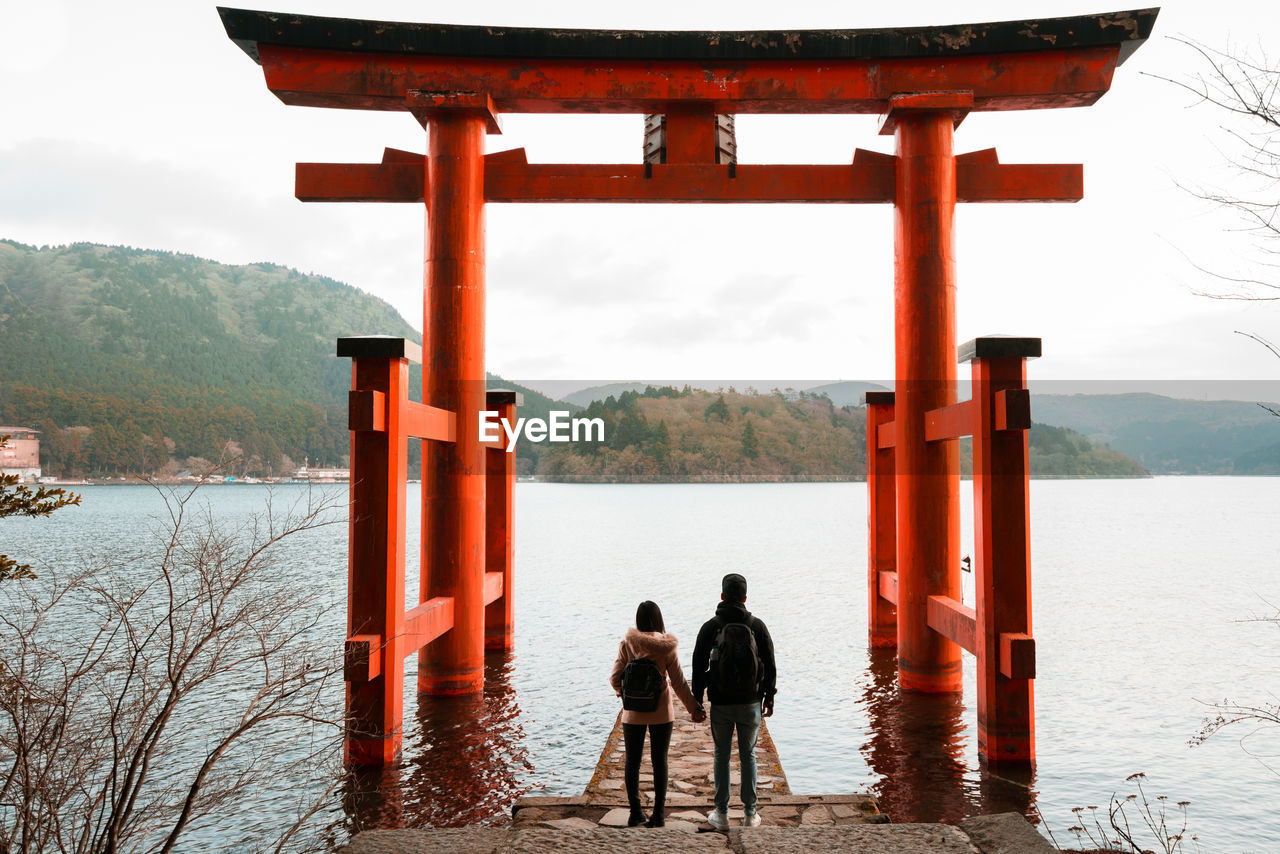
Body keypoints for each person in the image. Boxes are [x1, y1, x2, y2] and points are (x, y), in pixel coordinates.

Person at [610, 600, 706, 827]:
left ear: (638, 620)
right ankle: (658, 815)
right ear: (659, 620)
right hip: (662, 712)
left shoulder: (627, 645)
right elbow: (680, 682)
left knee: (632, 763)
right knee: (659, 761)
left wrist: (625, 695)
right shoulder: (667, 647)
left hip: (632, 713)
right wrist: (694, 708)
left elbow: (615, 679)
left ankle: (635, 813)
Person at [691, 572, 776, 830]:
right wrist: (769, 697)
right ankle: (751, 815)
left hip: (721, 703)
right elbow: (770, 665)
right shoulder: (757, 626)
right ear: (745, 598)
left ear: (722, 596)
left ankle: (721, 814)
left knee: (722, 756)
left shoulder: (710, 627)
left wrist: (698, 700)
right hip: (751, 702)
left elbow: (697, 665)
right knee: (748, 755)